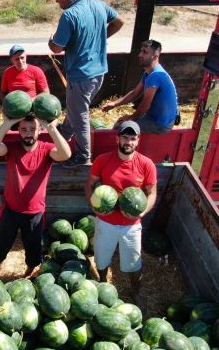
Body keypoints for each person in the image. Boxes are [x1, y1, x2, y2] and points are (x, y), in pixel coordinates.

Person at [48, 0, 124, 168]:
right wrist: (101, 37)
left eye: (58, 1)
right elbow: (119, 21)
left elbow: (57, 48)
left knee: (80, 114)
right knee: (76, 107)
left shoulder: (69, 15)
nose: (59, 5)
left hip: (80, 75)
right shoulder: (99, 5)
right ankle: (65, 132)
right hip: (99, 72)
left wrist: (50, 41)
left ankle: (83, 156)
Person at [0, 115, 71, 278]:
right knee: (1, 241)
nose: (28, 133)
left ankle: (30, 269)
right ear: (18, 130)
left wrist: (52, 128)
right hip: (10, 208)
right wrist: (7, 123)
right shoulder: (12, 148)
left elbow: (65, 154)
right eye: (24, 129)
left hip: (35, 212)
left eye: (33, 129)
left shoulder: (47, 149)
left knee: (33, 246)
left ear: (40, 130)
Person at [84, 121, 157, 303]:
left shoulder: (146, 165)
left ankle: (136, 292)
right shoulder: (103, 160)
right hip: (105, 222)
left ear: (138, 141)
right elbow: (89, 184)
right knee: (101, 260)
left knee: (133, 264)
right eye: (125, 137)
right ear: (117, 138)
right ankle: (103, 283)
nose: (128, 142)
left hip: (131, 226)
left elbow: (152, 193)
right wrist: (94, 206)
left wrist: (141, 213)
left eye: (133, 138)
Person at [102, 40, 178, 134]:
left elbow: (145, 105)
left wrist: (131, 117)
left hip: (160, 124)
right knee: (122, 123)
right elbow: (135, 93)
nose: (140, 55)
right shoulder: (149, 73)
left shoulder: (156, 75)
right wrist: (114, 104)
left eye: (145, 52)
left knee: (120, 127)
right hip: (154, 118)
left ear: (155, 56)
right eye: (141, 51)